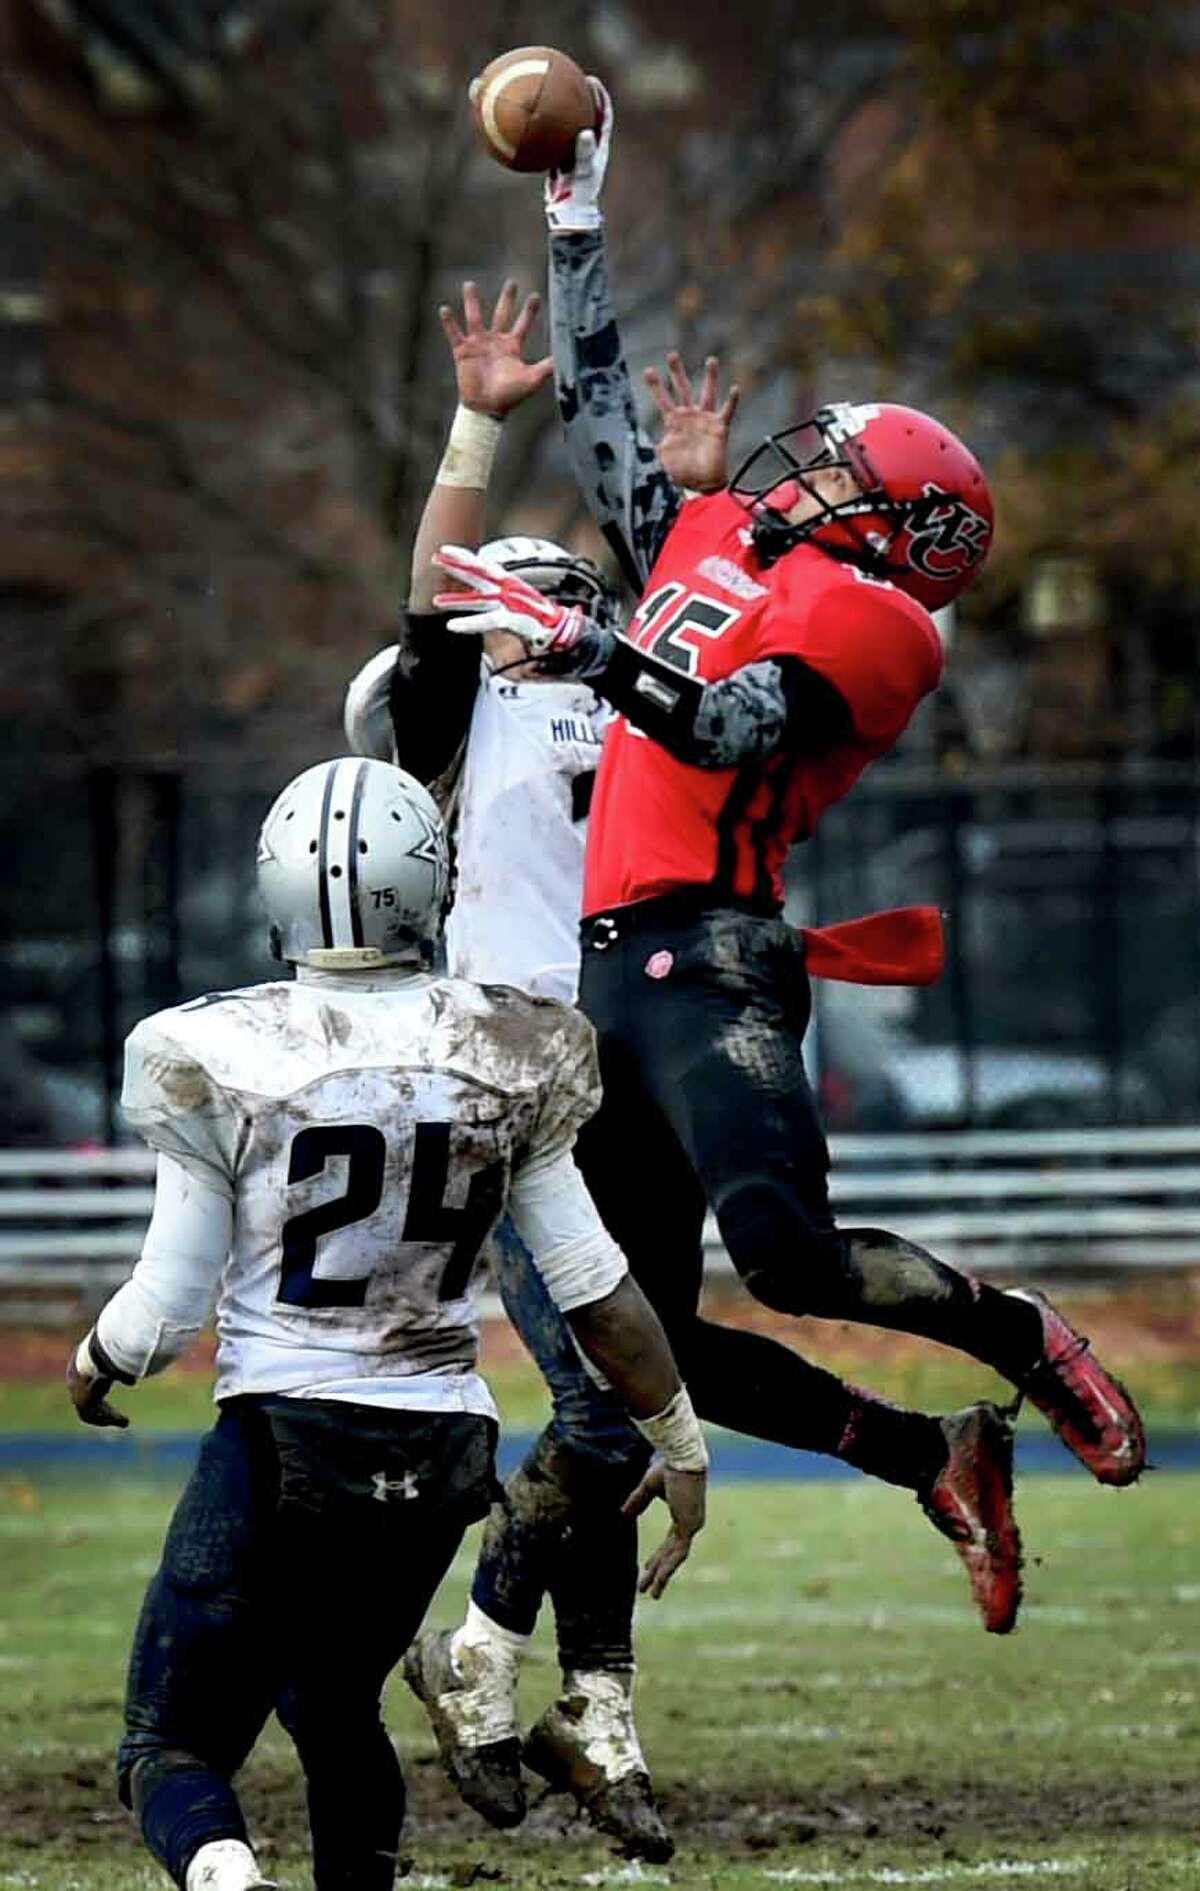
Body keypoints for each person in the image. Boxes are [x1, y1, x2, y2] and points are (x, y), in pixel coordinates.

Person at [433, 79, 1146, 1649]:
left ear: (898, 534)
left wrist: (591, 648)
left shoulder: (885, 623)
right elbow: (599, 398)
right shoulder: (720, 540)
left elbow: (731, 728)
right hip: (611, 967)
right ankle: (935, 1459)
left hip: (717, 952)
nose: (800, 466)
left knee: (790, 1253)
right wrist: (575, 216)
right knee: (646, 1345)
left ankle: (1013, 1334)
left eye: (840, 471)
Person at [64, 756, 707, 1891]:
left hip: (286, 1441)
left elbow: (165, 1304)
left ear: (277, 889)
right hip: (440, 1447)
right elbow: (594, 1286)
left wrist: (98, 1358)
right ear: (431, 885)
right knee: (332, 1706)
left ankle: (226, 1880)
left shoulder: (216, 1047)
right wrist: (680, 1440)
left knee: (167, 1744)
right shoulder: (517, 1048)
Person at [342, 280, 719, 1860]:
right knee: (595, 1396)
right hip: (512, 1071)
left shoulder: (632, 701)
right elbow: (433, 600)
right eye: (519, 605)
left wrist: (694, 508)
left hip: (650, 1056)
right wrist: (479, 422)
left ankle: (591, 1696)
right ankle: (492, 1649)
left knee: (637, 1394)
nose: (538, 622)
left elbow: (712, 636)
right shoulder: (462, 701)